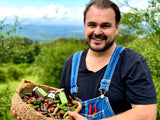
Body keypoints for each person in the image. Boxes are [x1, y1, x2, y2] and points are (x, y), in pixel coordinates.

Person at [11, 0, 157, 120]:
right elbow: (63, 108)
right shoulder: (71, 63)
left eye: (105, 26)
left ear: (116, 28)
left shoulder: (132, 62)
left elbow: (147, 114)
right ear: (84, 26)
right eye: (92, 25)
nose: (97, 31)